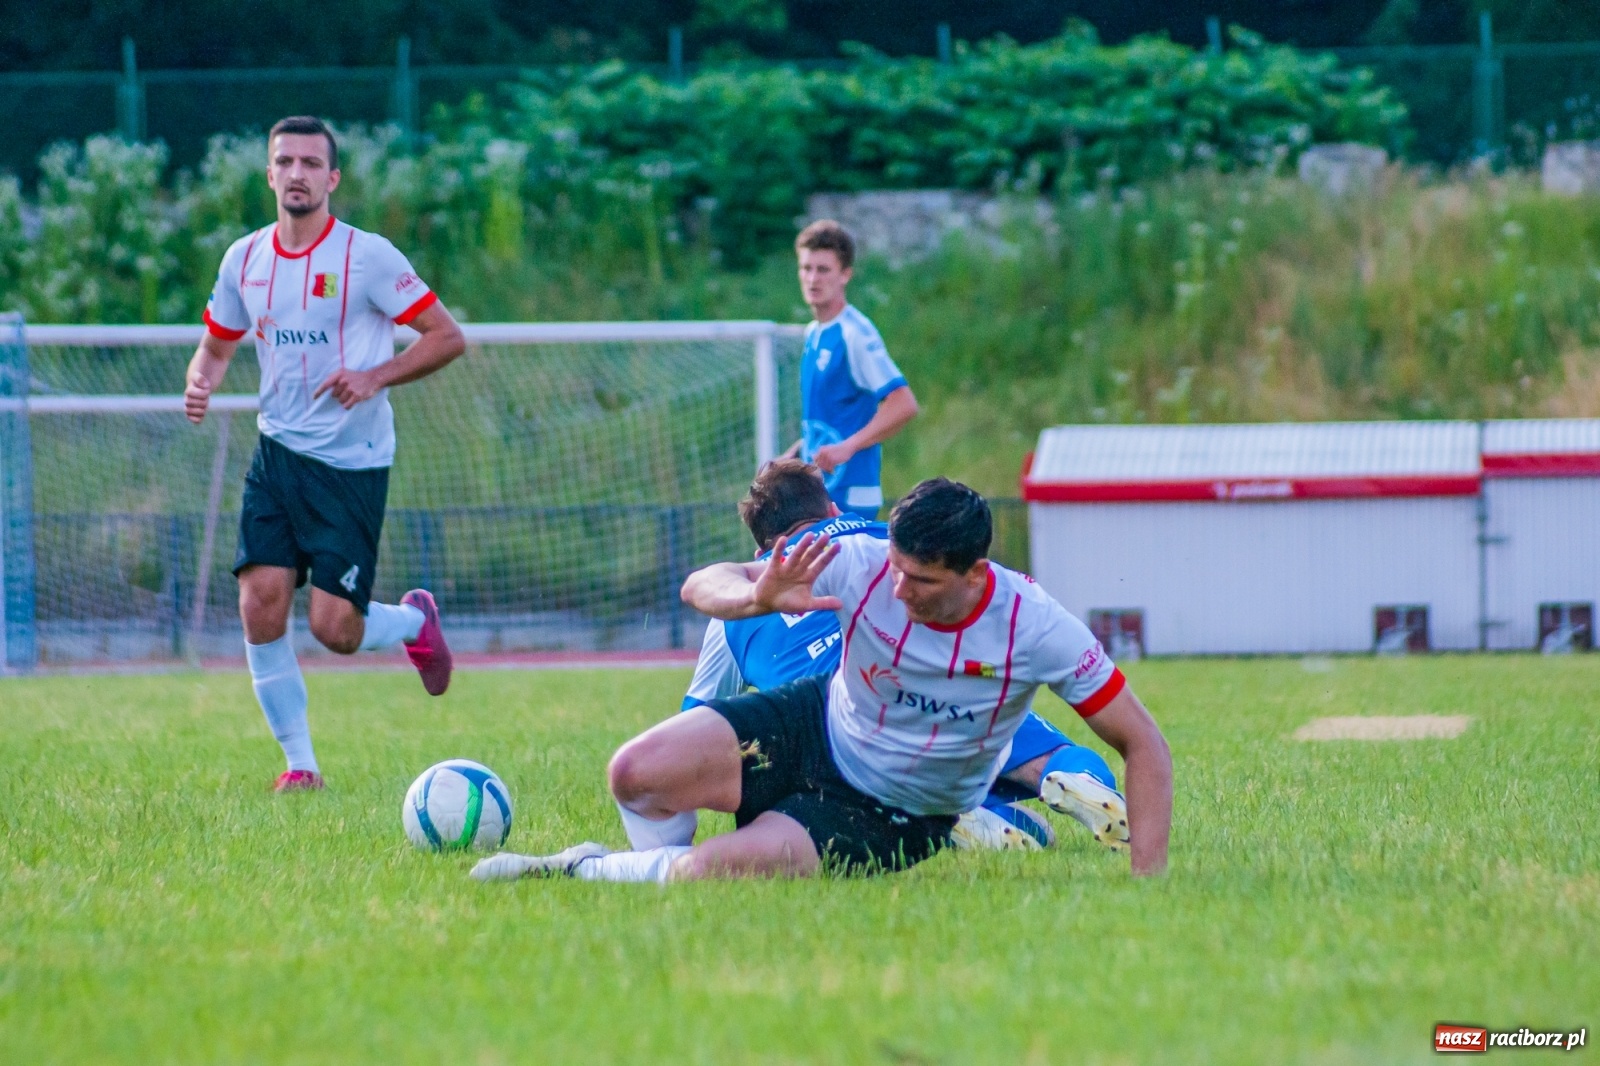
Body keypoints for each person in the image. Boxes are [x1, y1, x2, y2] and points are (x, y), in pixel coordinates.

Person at [471, 475, 1172, 884]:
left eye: (921, 581)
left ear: (975, 575)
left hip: (895, 812)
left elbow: (1144, 743)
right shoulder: (859, 559)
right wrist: (756, 596)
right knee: (634, 772)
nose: (898, 590)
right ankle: (658, 875)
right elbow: (701, 583)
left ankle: (581, 870)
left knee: (709, 873)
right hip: (816, 722)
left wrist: (1149, 881)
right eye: (895, 568)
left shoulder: (1037, 625)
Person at [185, 115, 466, 793]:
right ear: (270, 175)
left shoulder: (366, 257)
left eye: (312, 163)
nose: (298, 174)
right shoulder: (243, 259)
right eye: (286, 162)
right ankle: (300, 766)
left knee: (336, 629)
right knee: (260, 601)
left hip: (351, 464)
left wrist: (374, 377)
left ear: (332, 178)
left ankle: (410, 621)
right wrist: (202, 378)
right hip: (277, 453)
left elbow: (446, 336)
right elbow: (218, 344)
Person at [677, 459, 1131, 853]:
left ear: (762, 551)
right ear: (835, 510)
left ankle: (972, 819)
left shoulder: (738, 604)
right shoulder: (892, 539)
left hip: (839, 731)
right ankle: (1073, 779)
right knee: (1034, 748)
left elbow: (694, 723)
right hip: (928, 678)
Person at [788, 220, 918, 520]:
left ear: (845, 274)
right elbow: (832, 420)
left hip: (851, 496)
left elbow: (903, 404)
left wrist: (847, 448)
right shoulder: (814, 333)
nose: (812, 279)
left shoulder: (854, 334)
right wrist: (794, 455)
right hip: (819, 495)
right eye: (806, 268)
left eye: (823, 270)